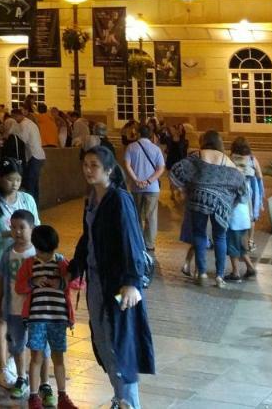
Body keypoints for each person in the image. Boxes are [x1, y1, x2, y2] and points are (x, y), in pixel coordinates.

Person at [72, 146, 154, 409]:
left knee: (119, 341)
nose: (88, 170)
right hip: (96, 281)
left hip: (119, 284)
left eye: (94, 165)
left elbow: (132, 239)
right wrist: (75, 266)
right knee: (102, 340)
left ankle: (129, 403)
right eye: (85, 165)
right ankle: (121, 398)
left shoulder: (119, 199)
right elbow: (89, 237)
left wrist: (132, 281)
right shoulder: (92, 199)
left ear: (108, 169)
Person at [0, 157, 39, 390]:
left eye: (18, 179)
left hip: (27, 262)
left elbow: (37, 224)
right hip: (1, 264)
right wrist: (9, 234)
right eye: (9, 179)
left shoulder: (27, 199)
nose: (14, 184)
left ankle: (19, 360)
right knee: (2, 311)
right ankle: (3, 365)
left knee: (25, 312)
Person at [168, 130, 248, 287]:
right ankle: (219, 277)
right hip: (221, 203)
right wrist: (231, 200)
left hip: (198, 198)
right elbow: (241, 185)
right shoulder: (227, 160)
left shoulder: (196, 155)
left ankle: (202, 273)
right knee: (220, 237)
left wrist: (184, 188)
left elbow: (176, 170)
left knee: (199, 234)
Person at [16, 225, 81, 409]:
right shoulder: (29, 264)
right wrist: (32, 282)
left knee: (58, 358)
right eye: (43, 252)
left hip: (58, 320)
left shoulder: (61, 262)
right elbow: (19, 287)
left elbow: (78, 283)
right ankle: (34, 397)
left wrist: (64, 280)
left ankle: (62, 396)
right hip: (37, 320)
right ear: (35, 248)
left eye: (49, 252)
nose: (46, 256)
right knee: (36, 358)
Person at [0, 209, 40, 400]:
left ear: (32, 229)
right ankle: (21, 377)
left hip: (34, 310)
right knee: (17, 344)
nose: (17, 232)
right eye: (13, 227)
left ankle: (41, 382)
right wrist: (0, 304)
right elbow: (2, 279)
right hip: (14, 308)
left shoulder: (37, 253)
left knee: (38, 344)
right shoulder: (8, 253)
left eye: (22, 227)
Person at [123, 124, 166, 251]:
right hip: (152, 188)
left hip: (136, 188)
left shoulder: (131, 147)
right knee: (151, 216)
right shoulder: (156, 149)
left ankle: (137, 240)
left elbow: (127, 165)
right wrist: (149, 181)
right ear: (151, 135)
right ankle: (149, 243)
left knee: (136, 215)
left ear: (138, 134)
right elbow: (161, 168)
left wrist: (136, 180)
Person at [229, 137, 263, 251]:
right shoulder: (252, 159)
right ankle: (250, 241)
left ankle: (238, 239)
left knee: (235, 215)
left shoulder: (230, 159)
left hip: (233, 190)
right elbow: (259, 176)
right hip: (248, 190)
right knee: (251, 216)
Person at [13, 100, 46, 202]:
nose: (14, 119)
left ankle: (30, 207)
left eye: (14, 117)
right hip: (39, 155)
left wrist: (13, 136)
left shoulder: (24, 124)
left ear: (18, 116)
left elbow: (23, 139)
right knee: (34, 184)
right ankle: (35, 206)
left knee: (30, 184)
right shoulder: (29, 123)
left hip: (34, 156)